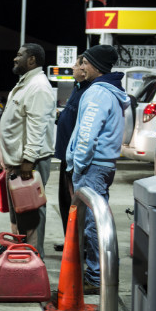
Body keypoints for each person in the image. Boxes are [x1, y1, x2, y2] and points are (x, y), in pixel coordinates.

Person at [66, 44, 130, 294]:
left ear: (97, 66)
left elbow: (86, 135)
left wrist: (78, 167)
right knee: (97, 221)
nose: (81, 66)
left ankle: (95, 276)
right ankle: (99, 272)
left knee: (92, 223)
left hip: (92, 166)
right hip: (102, 165)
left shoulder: (97, 93)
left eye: (85, 63)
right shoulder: (110, 91)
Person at [0, 43, 56, 258]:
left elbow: (37, 125)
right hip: (19, 163)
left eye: (19, 55)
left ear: (32, 60)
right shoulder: (27, 83)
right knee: (20, 218)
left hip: (30, 164)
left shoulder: (38, 86)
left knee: (30, 217)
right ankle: (23, 258)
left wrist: (29, 160)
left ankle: (33, 260)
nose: (15, 58)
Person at [53, 55, 90, 251]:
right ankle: (71, 240)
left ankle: (78, 244)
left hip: (74, 157)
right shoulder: (77, 88)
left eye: (77, 64)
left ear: (85, 69)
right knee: (65, 201)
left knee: (73, 201)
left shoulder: (88, 91)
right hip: (65, 155)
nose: (73, 68)